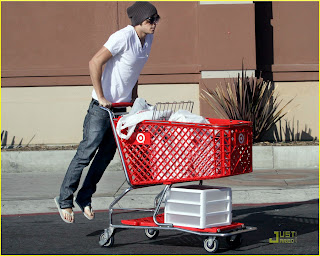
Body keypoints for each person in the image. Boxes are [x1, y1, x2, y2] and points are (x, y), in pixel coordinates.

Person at [54, 1, 160, 224]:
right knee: (86, 153)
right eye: (151, 20)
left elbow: (133, 70)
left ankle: (84, 197)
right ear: (139, 21)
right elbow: (94, 62)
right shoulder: (122, 36)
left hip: (120, 109)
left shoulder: (148, 39)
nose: (154, 24)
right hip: (101, 108)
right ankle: (64, 199)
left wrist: (133, 96)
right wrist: (101, 97)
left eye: (156, 19)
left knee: (105, 157)